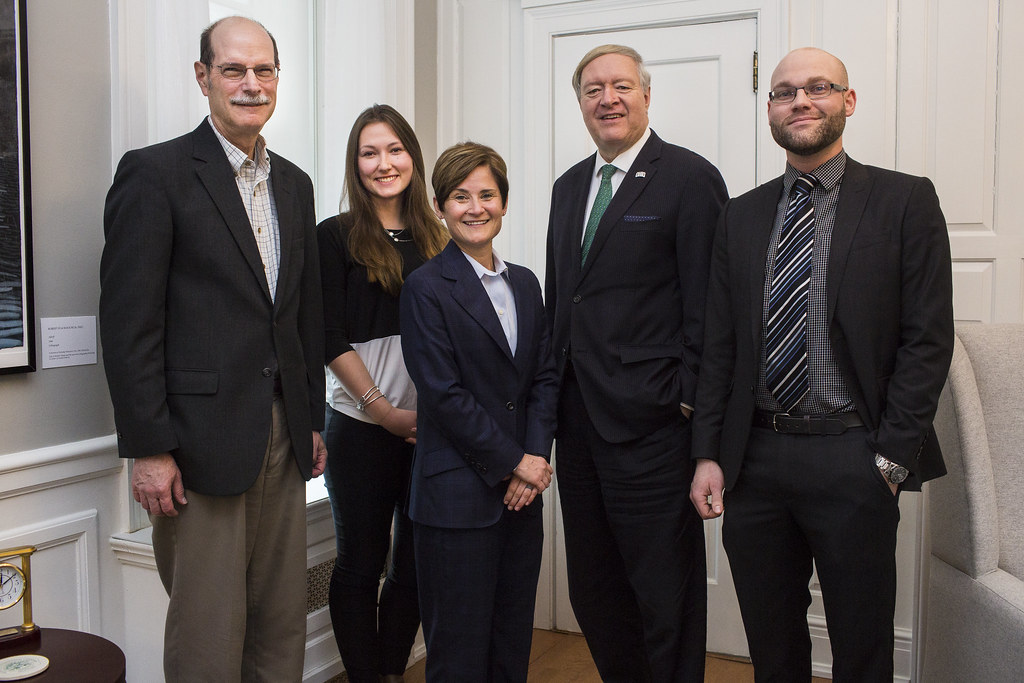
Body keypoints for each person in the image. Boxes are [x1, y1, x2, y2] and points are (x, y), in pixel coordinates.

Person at [690, 47, 954, 681]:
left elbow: (928, 339)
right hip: (753, 460)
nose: (800, 101)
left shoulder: (904, 200)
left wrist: (890, 456)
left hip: (852, 454)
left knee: (862, 645)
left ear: (848, 101)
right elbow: (719, 343)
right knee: (772, 645)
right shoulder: (743, 213)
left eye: (818, 88)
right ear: (771, 109)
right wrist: (708, 453)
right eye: (784, 93)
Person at [99, 16, 325, 682]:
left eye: (264, 71)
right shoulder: (155, 174)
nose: (251, 85)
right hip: (196, 445)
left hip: (283, 437)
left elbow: (300, 318)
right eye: (234, 70)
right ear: (203, 77)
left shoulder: (294, 183)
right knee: (208, 629)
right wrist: (149, 446)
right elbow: (129, 322)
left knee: (280, 620)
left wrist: (310, 419)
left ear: (278, 79)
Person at [544, 44, 728, 681]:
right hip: (580, 428)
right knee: (593, 592)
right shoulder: (569, 189)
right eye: (593, 89)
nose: (607, 99)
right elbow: (562, 304)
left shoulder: (689, 179)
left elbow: (711, 311)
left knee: (664, 597)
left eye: (620, 86)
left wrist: (690, 409)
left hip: (654, 427)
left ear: (646, 95)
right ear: (580, 104)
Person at [400, 142, 558, 682]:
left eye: (486, 194)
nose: (475, 207)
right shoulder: (425, 288)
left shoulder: (526, 284)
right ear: (441, 206)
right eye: (460, 196)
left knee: (512, 643)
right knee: (459, 654)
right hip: (456, 500)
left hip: (521, 496)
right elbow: (443, 395)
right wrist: (517, 460)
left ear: (504, 203)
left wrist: (534, 458)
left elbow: (542, 378)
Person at [317, 104, 448, 683]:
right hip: (363, 426)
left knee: (416, 565)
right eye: (370, 152)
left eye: (395, 150)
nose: (384, 163)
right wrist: (383, 410)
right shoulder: (335, 236)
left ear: (413, 160)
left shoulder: (440, 238)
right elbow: (326, 333)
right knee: (360, 564)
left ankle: (391, 671)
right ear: (355, 164)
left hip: (433, 433)